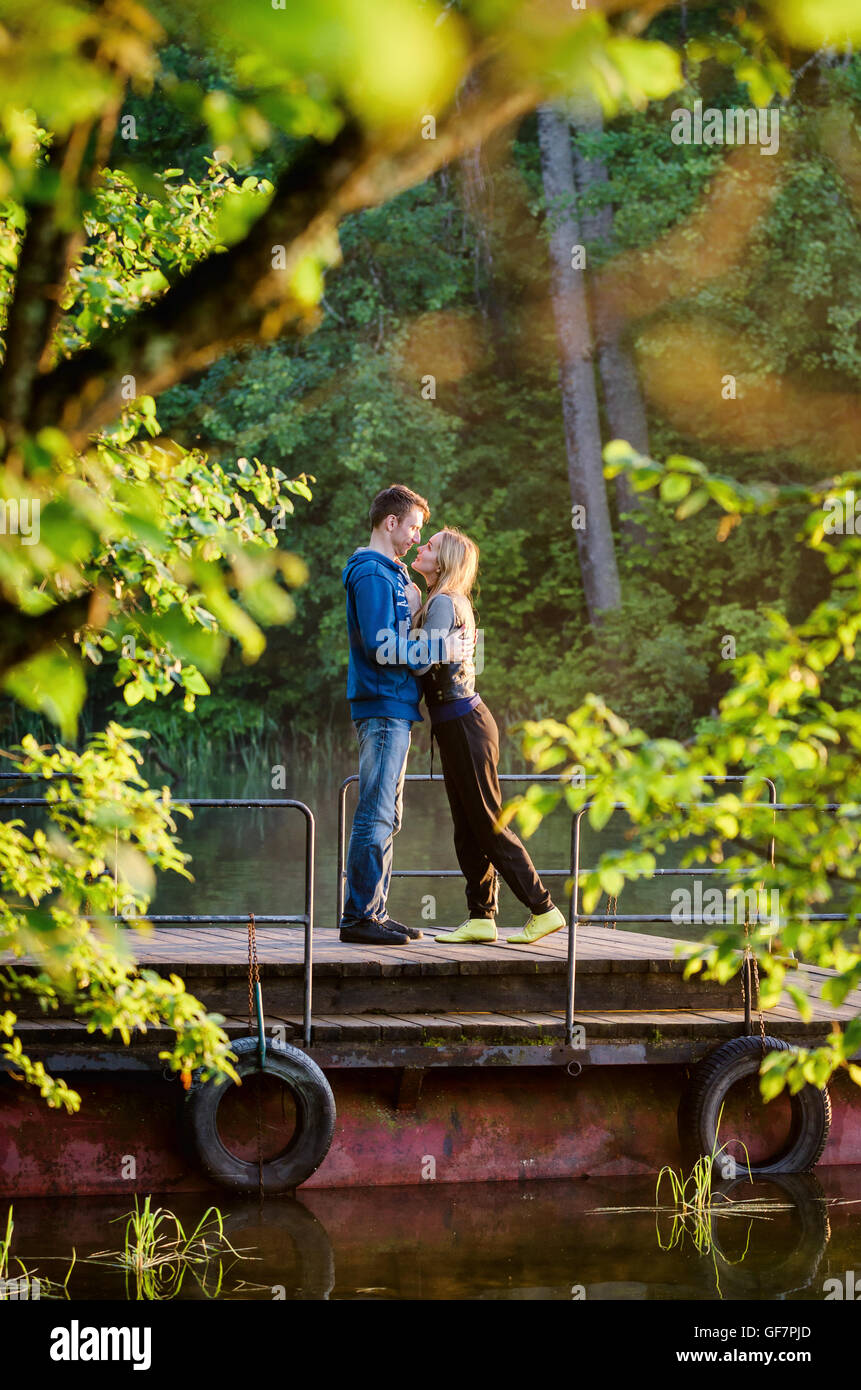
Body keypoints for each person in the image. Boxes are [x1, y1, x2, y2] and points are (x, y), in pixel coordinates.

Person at [410, 527, 566, 945]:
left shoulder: (443, 602)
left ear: (443, 562)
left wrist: (404, 627)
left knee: (488, 824)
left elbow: (422, 665)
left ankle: (543, 907)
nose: (421, 547)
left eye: (430, 546)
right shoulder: (445, 601)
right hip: (459, 724)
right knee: (468, 826)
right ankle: (481, 916)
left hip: (464, 723)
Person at [340, 486, 472, 945]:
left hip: (397, 707)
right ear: (390, 523)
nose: (418, 538)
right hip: (381, 705)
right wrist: (440, 646)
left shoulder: (393, 575)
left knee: (388, 814)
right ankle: (358, 917)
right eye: (414, 527)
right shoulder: (372, 574)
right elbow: (380, 646)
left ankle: (374, 911)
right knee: (376, 812)